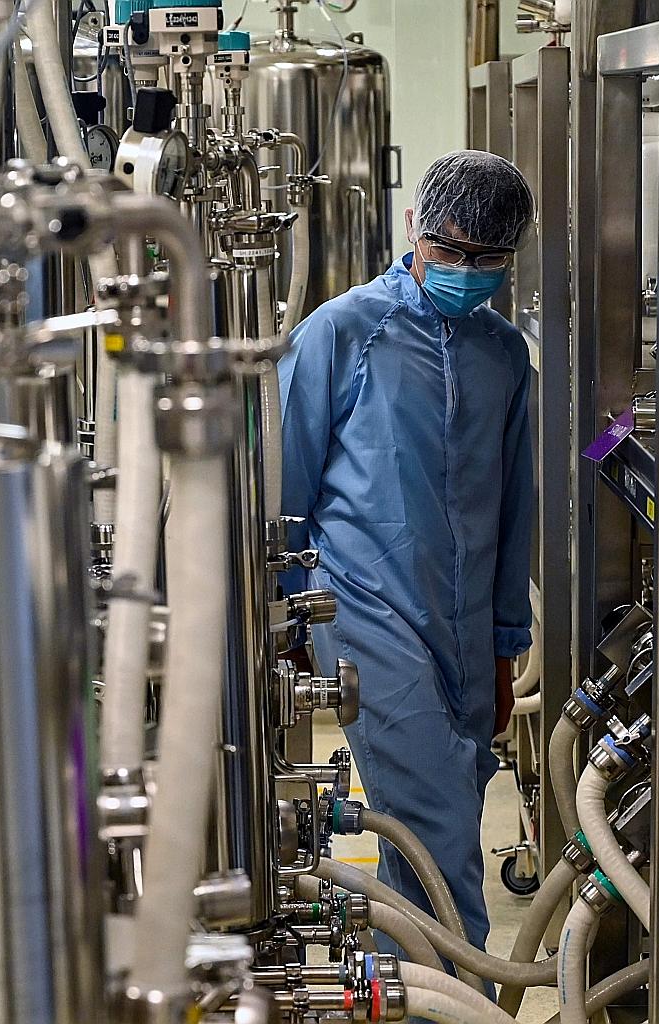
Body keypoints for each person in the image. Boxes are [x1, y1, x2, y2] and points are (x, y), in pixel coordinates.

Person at [277, 150, 536, 970]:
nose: (467, 271)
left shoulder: (504, 356)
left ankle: (404, 990)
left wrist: (503, 648)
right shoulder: (343, 332)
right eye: (452, 251)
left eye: (488, 259)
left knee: (433, 820)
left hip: (462, 635)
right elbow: (281, 489)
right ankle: (462, 1001)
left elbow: (512, 511)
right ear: (416, 232)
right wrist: (282, 614)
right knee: (439, 836)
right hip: (364, 612)